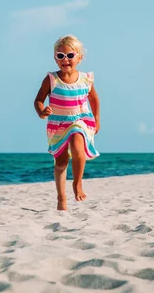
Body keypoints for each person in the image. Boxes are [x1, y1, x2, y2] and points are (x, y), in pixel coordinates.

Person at [33, 35, 100, 211]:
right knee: (61, 162)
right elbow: (38, 100)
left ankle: (77, 183)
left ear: (79, 57)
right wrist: (42, 111)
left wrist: (96, 119)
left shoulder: (86, 79)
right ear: (55, 58)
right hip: (58, 124)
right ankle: (61, 198)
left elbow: (94, 99)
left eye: (70, 55)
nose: (65, 60)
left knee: (78, 146)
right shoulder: (51, 79)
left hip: (80, 120)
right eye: (60, 56)